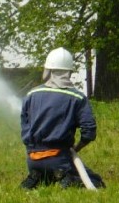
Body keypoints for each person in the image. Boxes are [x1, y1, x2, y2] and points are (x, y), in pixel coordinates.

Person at [19, 47, 104, 190]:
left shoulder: (31, 94)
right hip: (59, 158)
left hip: (32, 158)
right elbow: (89, 131)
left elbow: (24, 124)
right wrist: (76, 148)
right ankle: (67, 179)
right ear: (69, 72)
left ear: (48, 70)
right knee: (96, 182)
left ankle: (38, 176)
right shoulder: (77, 97)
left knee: (47, 180)